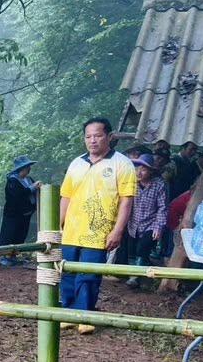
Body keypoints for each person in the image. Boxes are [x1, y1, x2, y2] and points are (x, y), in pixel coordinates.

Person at [59, 117, 136, 334]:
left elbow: (126, 200)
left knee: (89, 274)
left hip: (99, 230)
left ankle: (85, 315)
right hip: (71, 229)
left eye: (98, 135)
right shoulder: (76, 163)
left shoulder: (122, 164)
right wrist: (57, 226)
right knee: (67, 272)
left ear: (109, 137)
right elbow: (66, 197)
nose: (93, 140)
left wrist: (117, 230)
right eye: (88, 136)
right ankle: (67, 312)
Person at [123, 154, 168, 288]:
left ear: (151, 171)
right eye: (137, 168)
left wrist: (158, 227)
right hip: (133, 224)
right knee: (131, 249)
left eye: (143, 169)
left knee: (142, 248)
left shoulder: (159, 185)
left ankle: (134, 277)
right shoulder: (131, 183)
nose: (139, 172)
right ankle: (138, 273)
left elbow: (162, 207)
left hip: (151, 224)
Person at [0, 155, 40, 266]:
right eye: (27, 167)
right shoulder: (12, 181)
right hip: (13, 214)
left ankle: (13, 256)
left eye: (29, 166)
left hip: (26, 214)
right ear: (21, 168)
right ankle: (2, 257)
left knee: (20, 236)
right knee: (9, 235)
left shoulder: (29, 179)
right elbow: (17, 196)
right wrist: (32, 188)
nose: (29, 169)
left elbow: (33, 191)